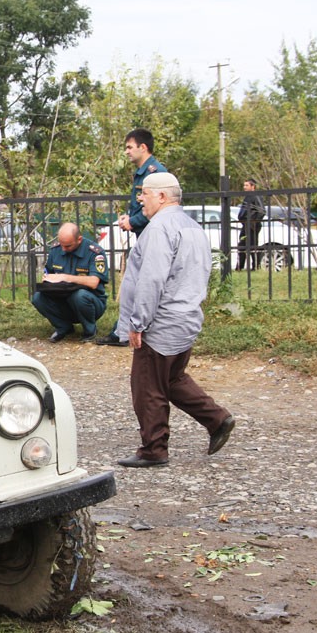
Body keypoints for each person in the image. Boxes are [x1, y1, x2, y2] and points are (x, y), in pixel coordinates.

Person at [115, 172, 235, 468]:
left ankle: (154, 449)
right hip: (187, 316)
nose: (139, 199)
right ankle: (217, 419)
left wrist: (138, 323)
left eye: (144, 193)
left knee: (147, 386)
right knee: (172, 378)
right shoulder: (192, 227)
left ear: (162, 196)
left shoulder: (159, 228)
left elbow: (151, 279)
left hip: (161, 321)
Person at [96, 127, 167, 346]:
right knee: (134, 284)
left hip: (152, 235)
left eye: (129, 147)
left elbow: (157, 207)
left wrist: (132, 222)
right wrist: (131, 217)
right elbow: (141, 204)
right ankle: (124, 330)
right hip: (144, 235)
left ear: (142, 147)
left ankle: (128, 331)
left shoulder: (154, 173)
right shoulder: (143, 172)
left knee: (141, 284)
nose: (126, 152)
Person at [31, 223, 109, 343]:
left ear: (79, 239)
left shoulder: (95, 252)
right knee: (37, 297)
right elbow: (48, 274)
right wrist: (48, 281)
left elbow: (94, 282)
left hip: (90, 303)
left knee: (79, 295)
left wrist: (65, 277)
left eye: (67, 246)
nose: (63, 249)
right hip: (63, 300)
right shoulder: (55, 250)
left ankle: (89, 330)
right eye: (61, 245)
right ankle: (63, 327)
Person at [236, 178, 265, 271]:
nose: (244, 187)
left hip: (252, 225)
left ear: (253, 186)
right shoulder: (248, 196)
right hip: (246, 224)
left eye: (247, 185)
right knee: (242, 246)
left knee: (253, 246)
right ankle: (240, 266)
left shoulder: (255, 196)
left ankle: (255, 266)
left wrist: (254, 221)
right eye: (244, 185)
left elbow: (261, 211)